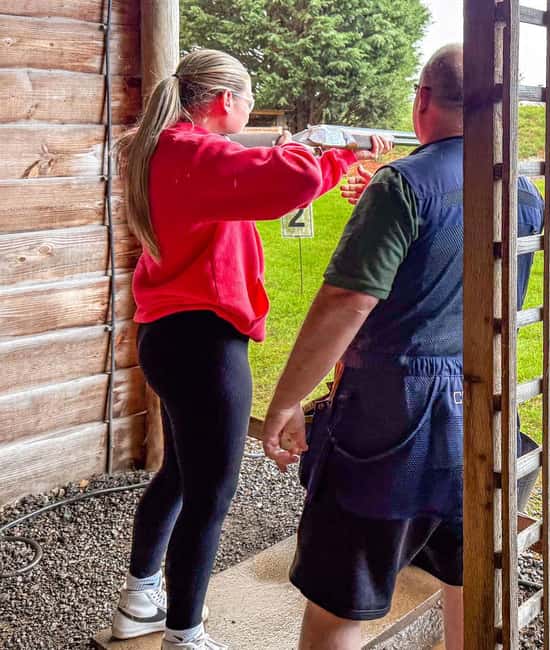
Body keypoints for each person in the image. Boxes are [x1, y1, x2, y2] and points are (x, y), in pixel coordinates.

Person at [262, 44, 543, 650]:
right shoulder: (523, 191)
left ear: (422, 99)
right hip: (487, 408)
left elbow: (347, 302)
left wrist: (286, 402)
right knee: (471, 584)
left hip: (390, 418)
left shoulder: (402, 184)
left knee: (342, 599)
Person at [110, 48, 390, 650]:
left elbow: (268, 187)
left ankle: (139, 601)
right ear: (224, 101)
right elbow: (286, 182)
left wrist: (334, 153)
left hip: (171, 336)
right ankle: (184, 634)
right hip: (203, 344)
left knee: (180, 475)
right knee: (211, 495)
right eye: (248, 99)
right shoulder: (192, 152)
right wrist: (326, 150)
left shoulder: (171, 150)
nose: (250, 109)